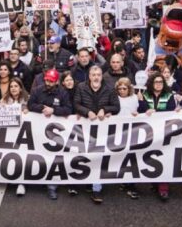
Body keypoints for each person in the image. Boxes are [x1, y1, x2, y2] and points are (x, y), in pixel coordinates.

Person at [73, 65, 119, 204]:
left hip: (103, 131)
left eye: (98, 74)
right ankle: (87, 182)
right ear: (89, 76)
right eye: (93, 74)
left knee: (99, 157)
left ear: (101, 76)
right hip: (85, 129)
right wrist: (87, 112)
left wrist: (104, 109)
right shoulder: (81, 87)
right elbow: (76, 104)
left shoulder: (110, 88)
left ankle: (96, 189)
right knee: (85, 155)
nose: (96, 77)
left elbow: (116, 107)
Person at [28, 69, 71, 200]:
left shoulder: (62, 93)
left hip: (56, 133)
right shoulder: (37, 90)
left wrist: (54, 110)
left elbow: (68, 109)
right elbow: (30, 105)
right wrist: (43, 109)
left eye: (51, 81)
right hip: (38, 129)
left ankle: (52, 187)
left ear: (56, 81)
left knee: (54, 158)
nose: (48, 82)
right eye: (47, 80)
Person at [142, 73, 177, 201]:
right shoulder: (145, 95)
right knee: (151, 158)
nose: (158, 84)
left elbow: (171, 111)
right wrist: (143, 105)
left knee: (164, 158)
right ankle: (155, 182)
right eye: (156, 82)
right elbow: (141, 111)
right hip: (149, 133)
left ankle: (163, 188)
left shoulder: (169, 96)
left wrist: (156, 112)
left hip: (165, 133)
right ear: (151, 83)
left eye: (161, 82)